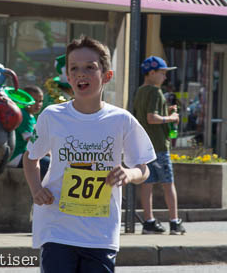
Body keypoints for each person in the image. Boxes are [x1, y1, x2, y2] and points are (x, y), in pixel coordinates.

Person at [23, 36, 155, 272]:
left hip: (101, 233)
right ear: (69, 77)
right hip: (57, 228)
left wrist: (128, 173)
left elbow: (144, 168)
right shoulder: (52, 116)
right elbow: (30, 157)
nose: (80, 73)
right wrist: (36, 190)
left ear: (107, 76)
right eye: (74, 68)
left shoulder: (121, 120)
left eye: (89, 67)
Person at [133, 56, 186, 235]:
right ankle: (174, 221)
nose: (165, 77)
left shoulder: (140, 91)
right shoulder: (155, 92)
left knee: (147, 184)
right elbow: (151, 118)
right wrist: (171, 118)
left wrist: (165, 111)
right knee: (168, 183)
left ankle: (149, 222)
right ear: (152, 73)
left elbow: (144, 116)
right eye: (162, 73)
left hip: (144, 146)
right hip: (159, 146)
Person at [7, 85, 49, 179]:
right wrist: (48, 151)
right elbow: (31, 140)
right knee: (47, 163)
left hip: (24, 154)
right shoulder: (23, 115)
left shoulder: (31, 117)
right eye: (34, 100)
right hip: (16, 156)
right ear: (25, 100)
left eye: (40, 101)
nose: (38, 104)